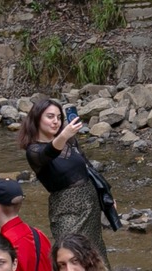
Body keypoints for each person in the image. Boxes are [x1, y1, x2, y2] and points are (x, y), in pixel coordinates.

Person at [20, 94, 107, 260]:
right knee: (69, 253)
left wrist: (106, 196)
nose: (56, 122)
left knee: (96, 253)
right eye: (50, 117)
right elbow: (49, 152)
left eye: (59, 117)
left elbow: (88, 168)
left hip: (90, 205)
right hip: (65, 210)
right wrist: (64, 135)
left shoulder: (69, 141)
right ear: (37, 119)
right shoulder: (34, 151)